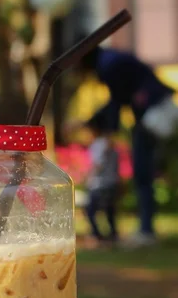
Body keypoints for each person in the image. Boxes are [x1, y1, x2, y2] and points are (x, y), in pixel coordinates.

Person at [71, 45, 177, 246]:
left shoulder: (110, 65)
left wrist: (109, 133)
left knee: (143, 174)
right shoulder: (112, 59)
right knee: (145, 174)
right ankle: (146, 228)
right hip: (150, 115)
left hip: (151, 117)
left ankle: (146, 231)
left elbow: (116, 104)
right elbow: (116, 102)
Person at [83, 111, 120, 247]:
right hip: (111, 182)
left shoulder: (99, 144)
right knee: (109, 210)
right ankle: (113, 235)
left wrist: (88, 177)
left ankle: (97, 235)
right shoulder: (110, 144)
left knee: (91, 210)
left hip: (99, 183)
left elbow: (98, 164)